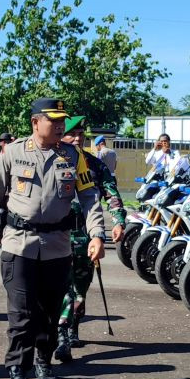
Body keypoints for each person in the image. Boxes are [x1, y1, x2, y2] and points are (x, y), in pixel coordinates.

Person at [0, 98, 105, 379]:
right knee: (21, 316)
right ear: (35, 122)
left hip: (58, 247)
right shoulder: (13, 153)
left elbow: (89, 198)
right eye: (54, 120)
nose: (61, 125)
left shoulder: (72, 157)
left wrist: (96, 233)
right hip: (18, 245)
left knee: (48, 313)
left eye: (63, 121)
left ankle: (44, 359)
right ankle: (18, 375)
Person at [54, 115, 127, 362]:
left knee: (80, 288)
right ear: (61, 136)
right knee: (62, 287)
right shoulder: (51, 161)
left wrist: (118, 220)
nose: (76, 139)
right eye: (71, 135)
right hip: (58, 235)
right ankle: (62, 333)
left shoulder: (94, 164)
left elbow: (111, 193)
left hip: (86, 237)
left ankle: (73, 324)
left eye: (81, 136)